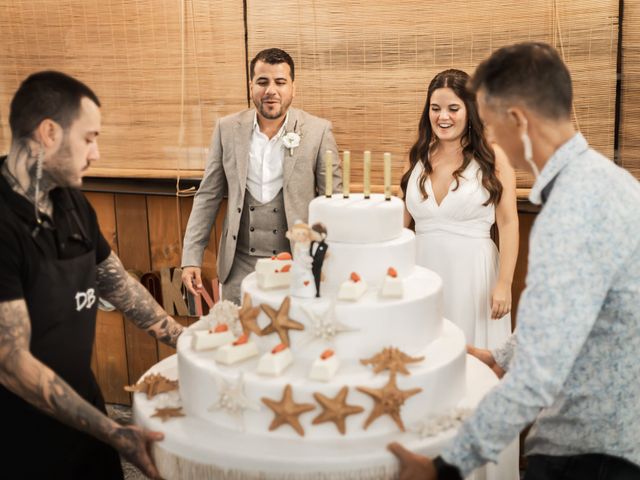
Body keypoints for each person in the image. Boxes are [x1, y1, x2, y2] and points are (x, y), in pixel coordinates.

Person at [389, 42, 640, 480]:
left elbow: (537, 375)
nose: (488, 137)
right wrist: (500, 355)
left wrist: (445, 466)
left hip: (590, 448)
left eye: (487, 122)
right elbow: (567, 314)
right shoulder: (607, 183)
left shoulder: (574, 208)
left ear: (517, 120)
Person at [0, 71, 185, 479]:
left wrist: (186, 341)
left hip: (84, 412)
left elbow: (117, 284)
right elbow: (11, 364)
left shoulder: (71, 204)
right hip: (18, 436)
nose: (96, 153)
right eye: (89, 138)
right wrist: (116, 434)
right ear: (49, 132)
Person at [181, 48, 342, 305]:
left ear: (293, 88)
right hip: (238, 265)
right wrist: (191, 256)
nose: (271, 90)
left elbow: (332, 202)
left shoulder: (318, 131)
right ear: (251, 86)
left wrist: (332, 263)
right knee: (239, 336)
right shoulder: (226, 129)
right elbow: (208, 196)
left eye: (280, 82)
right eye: (262, 81)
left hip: (298, 263)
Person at [402, 68, 519, 349]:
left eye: (453, 108)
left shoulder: (493, 158)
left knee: (472, 355)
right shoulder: (417, 158)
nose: (443, 117)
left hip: (474, 276)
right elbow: (398, 225)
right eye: (435, 108)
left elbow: (508, 224)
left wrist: (504, 284)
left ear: (471, 111)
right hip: (423, 270)